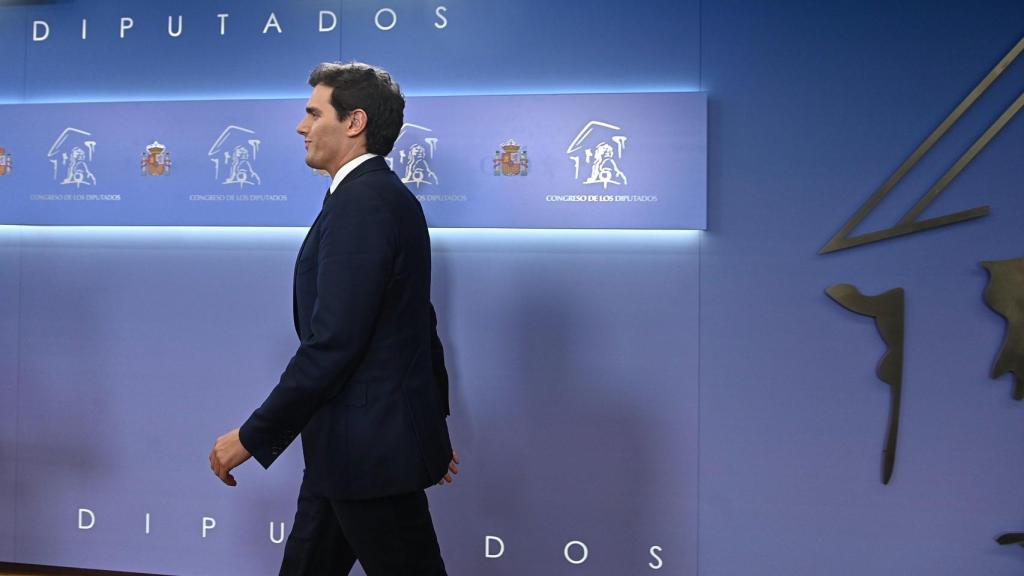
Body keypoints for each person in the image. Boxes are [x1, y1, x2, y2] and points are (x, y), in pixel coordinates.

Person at [209, 61, 458, 575]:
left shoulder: (363, 205)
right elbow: (418, 320)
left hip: (368, 453)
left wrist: (254, 435)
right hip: (350, 447)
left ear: (354, 122)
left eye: (312, 113)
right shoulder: (374, 198)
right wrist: (428, 422)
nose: (301, 127)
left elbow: (333, 343)